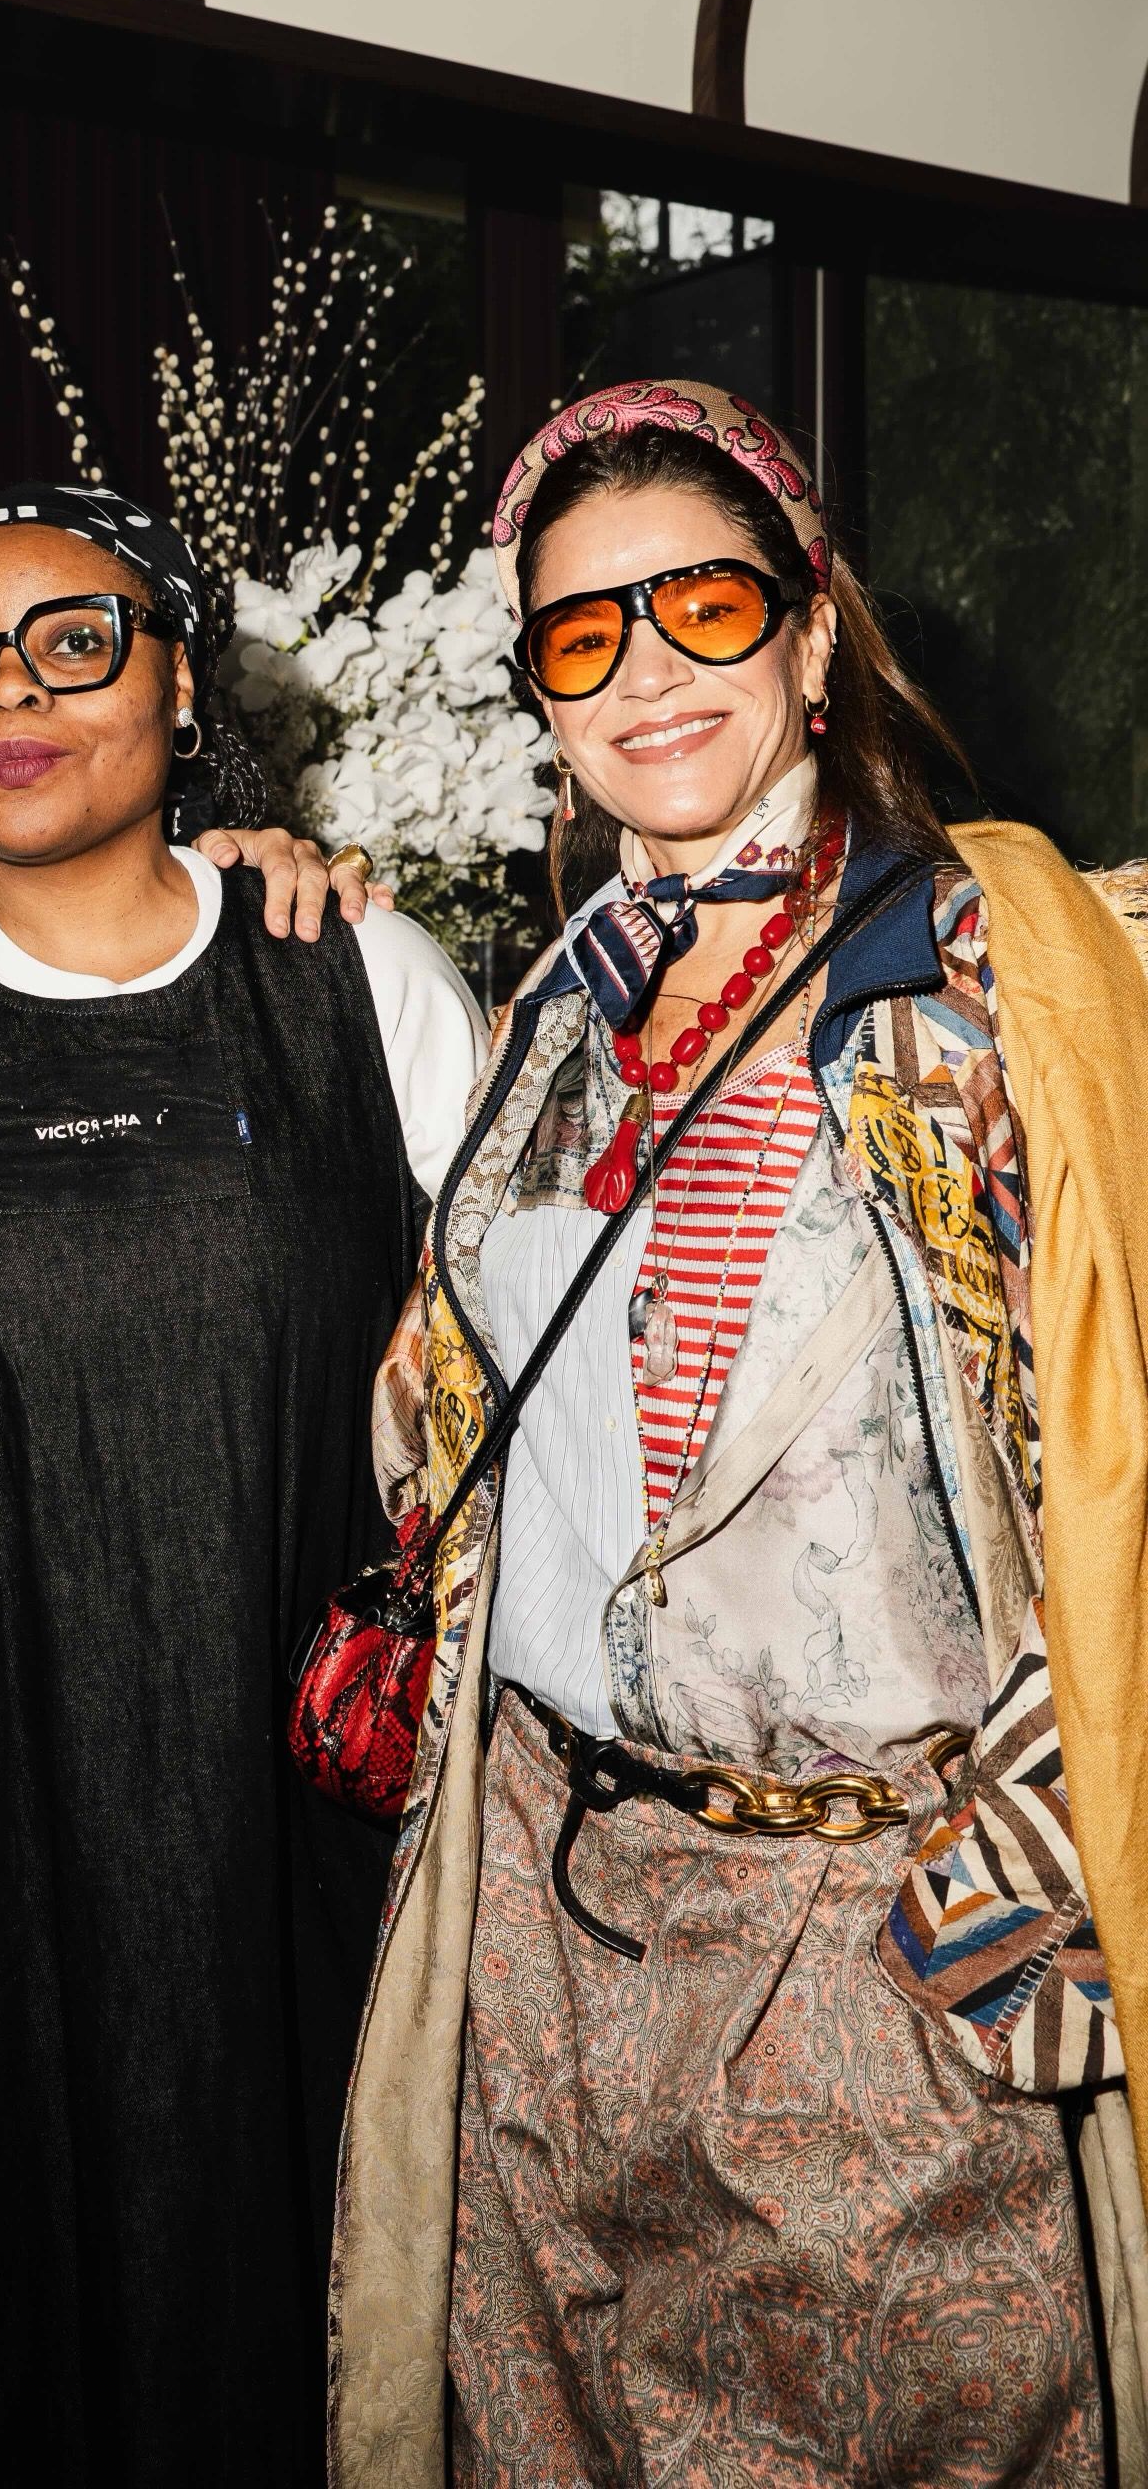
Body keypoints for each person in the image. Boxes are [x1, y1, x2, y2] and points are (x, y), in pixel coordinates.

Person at [327, 380, 1148, 2489]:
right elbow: (457, 1424)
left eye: (702, 603)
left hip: (872, 1943)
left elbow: (1126, 1436)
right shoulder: (553, 1013)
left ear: (810, 628)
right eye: (581, 632)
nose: (648, 670)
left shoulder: (976, 974)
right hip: (545, 1912)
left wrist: (1007, 1890)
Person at [0, 481, 488, 2487]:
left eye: (74, 643)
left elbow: (508, 1394)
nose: (13, 697)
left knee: (287, 2333)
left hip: (294, 1835)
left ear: (180, 687)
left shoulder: (357, 980)